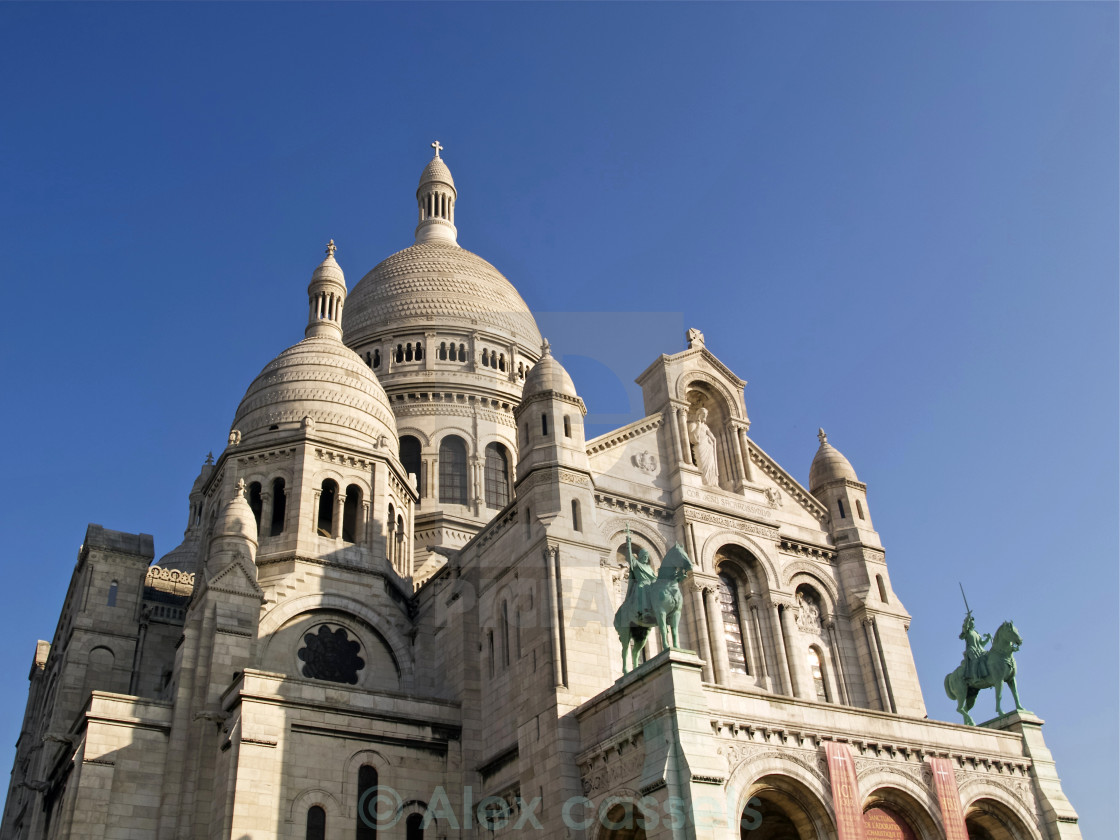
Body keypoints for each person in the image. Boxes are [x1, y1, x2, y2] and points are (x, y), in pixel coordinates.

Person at [623, 530, 657, 620]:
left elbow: (654, 578)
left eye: (647, 557)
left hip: (651, 585)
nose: (646, 558)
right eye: (644, 556)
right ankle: (645, 611)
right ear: (641, 556)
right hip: (641, 584)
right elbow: (630, 557)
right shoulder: (637, 565)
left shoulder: (649, 568)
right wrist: (628, 544)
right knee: (643, 588)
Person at [688, 407, 720, 487]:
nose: (705, 416)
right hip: (700, 447)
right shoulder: (693, 425)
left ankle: (711, 483)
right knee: (702, 465)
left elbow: (713, 438)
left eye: (706, 414)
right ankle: (704, 482)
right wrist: (698, 425)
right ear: (699, 415)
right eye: (704, 414)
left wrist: (713, 440)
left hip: (708, 447)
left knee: (710, 465)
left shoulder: (706, 427)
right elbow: (693, 438)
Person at [960, 612, 991, 682]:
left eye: (972, 621)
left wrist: (987, 639)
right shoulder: (967, 632)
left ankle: (986, 675)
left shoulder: (976, 633)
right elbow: (965, 627)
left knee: (987, 657)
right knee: (976, 660)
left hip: (979, 650)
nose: (972, 622)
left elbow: (982, 644)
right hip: (971, 650)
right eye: (971, 621)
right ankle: (975, 677)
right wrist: (967, 618)